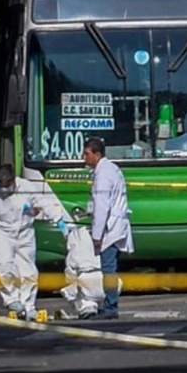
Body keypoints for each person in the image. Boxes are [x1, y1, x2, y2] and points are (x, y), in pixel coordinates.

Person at [0, 164, 68, 320]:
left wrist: (58, 218)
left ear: (14, 180)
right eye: (2, 186)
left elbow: (43, 202)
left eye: (8, 185)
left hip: (24, 231)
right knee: (5, 264)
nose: (5, 189)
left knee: (29, 270)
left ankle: (28, 305)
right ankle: (12, 299)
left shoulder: (26, 187)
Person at [83, 137, 134, 319]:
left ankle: (111, 308)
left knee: (108, 269)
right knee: (110, 267)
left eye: (87, 154)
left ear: (97, 154)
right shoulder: (109, 169)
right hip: (115, 225)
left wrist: (97, 236)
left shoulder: (103, 173)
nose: (84, 158)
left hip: (110, 228)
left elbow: (102, 206)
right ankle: (110, 305)